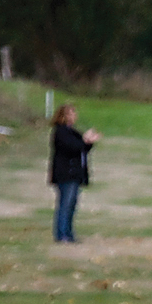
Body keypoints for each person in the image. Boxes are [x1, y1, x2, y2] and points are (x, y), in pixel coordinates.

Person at [48, 105, 99, 244]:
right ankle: (62, 234)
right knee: (65, 205)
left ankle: (68, 233)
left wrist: (88, 142)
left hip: (74, 174)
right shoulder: (61, 132)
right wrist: (85, 140)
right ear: (64, 116)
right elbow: (73, 147)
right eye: (71, 113)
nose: (74, 116)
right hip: (66, 174)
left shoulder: (72, 131)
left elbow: (82, 148)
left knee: (71, 205)